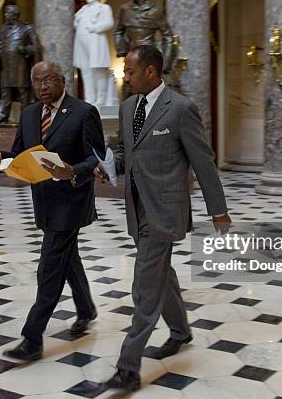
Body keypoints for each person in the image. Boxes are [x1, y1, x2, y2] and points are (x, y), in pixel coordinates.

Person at [96, 45, 231, 391]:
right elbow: (126, 153)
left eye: (130, 71)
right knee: (161, 274)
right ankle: (181, 331)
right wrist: (109, 166)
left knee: (144, 285)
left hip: (165, 210)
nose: (125, 77)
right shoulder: (128, 108)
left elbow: (203, 161)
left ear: (152, 72)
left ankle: (128, 367)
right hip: (137, 207)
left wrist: (218, 210)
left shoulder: (181, 109)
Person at [0, 61, 105, 361]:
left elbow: (98, 158)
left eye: (48, 80)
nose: (42, 86)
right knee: (68, 258)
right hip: (43, 201)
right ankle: (86, 308)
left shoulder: (83, 112)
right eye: (37, 81)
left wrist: (73, 171)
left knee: (49, 268)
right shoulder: (29, 114)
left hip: (71, 201)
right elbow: (20, 152)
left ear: (62, 81)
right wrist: (3, 158)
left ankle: (32, 338)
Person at [0, 5, 43, 124]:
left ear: (15, 15)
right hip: (6, 66)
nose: (5, 16)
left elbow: (37, 47)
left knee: (22, 91)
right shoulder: (3, 29)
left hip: (20, 66)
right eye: (5, 14)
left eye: (8, 14)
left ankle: (25, 115)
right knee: (6, 90)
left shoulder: (27, 28)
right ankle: (4, 115)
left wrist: (25, 49)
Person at [114, 0, 174, 73]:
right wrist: (121, 49)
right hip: (131, 55)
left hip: (149, 56)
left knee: (149, 85)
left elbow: (168, 37)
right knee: (131, 85)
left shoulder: (155, 11)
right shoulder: (125, 9)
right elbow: (118, 31)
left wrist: (166, 63)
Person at [74, 0, 114, 109]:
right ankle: (90, 99)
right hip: (81, 44)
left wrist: (95, 28)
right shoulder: (83, 9)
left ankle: (100, 100)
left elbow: (109, 23)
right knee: (86, 72)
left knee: (98, 71)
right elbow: (75, 22)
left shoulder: (104, 8)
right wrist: (76, 22)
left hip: (96, 42)